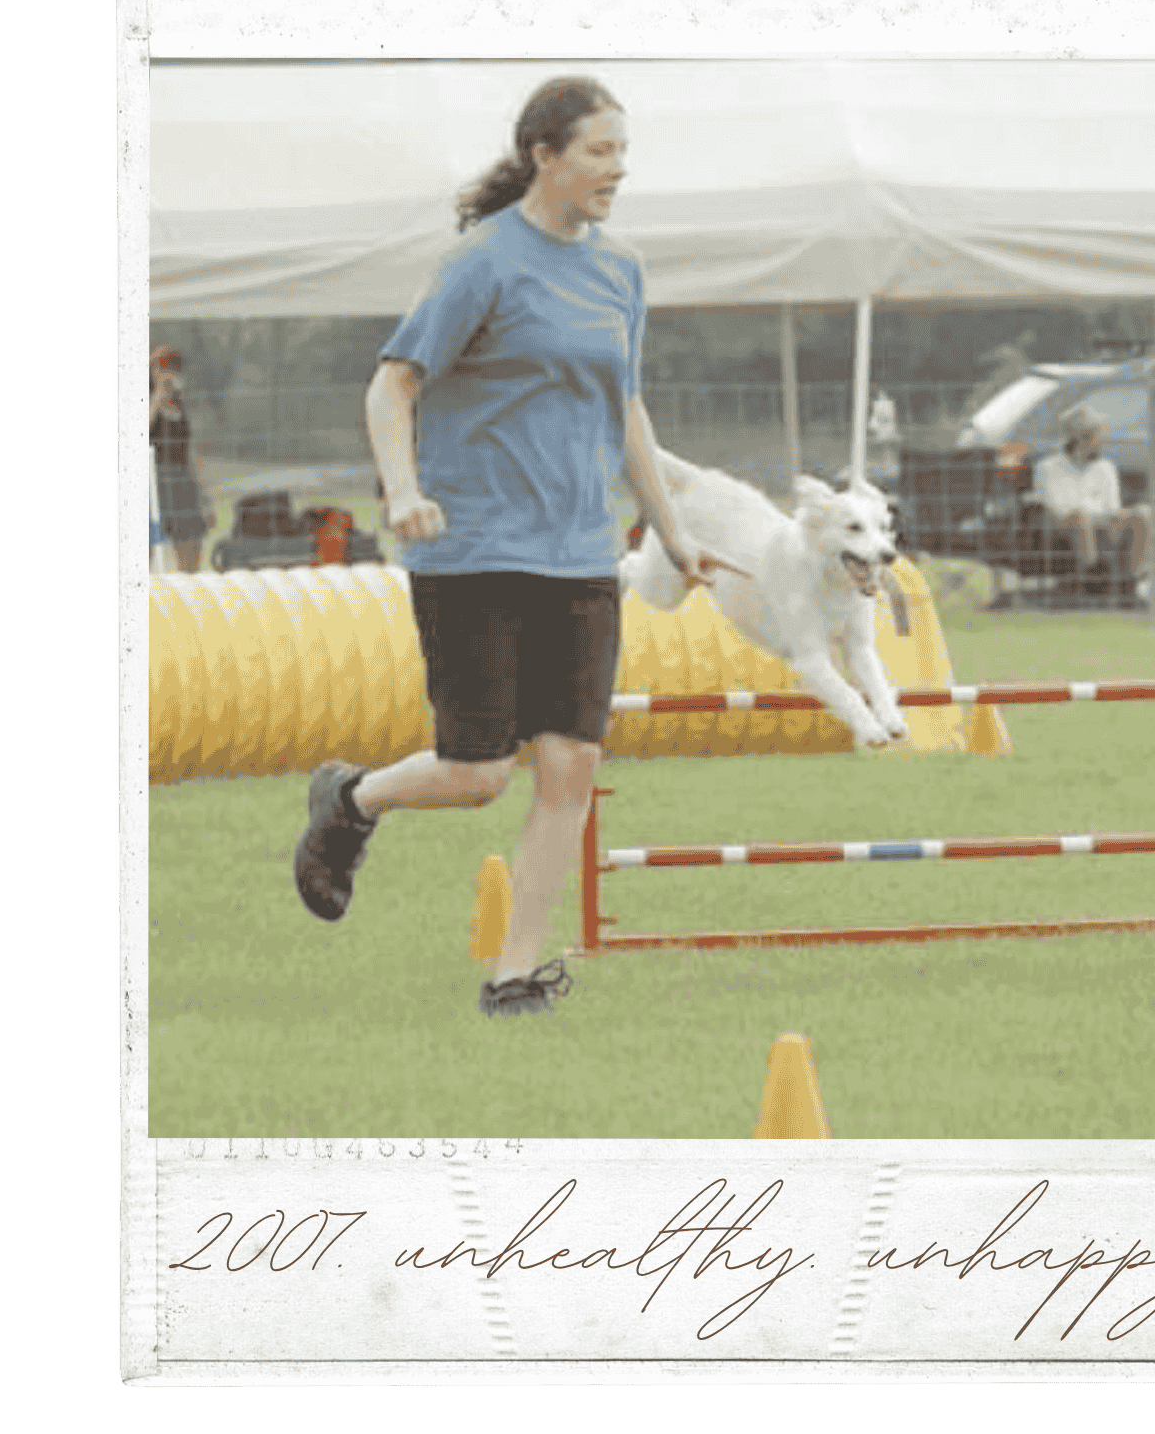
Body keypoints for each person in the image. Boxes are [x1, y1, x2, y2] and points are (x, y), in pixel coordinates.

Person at [292, 76, 744, 1019]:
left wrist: (673, 529)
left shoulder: (621, 270)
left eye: (623, 151)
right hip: (477, 553)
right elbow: (393, 385)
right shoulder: (482, 263)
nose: (619, 169)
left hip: (581, 555)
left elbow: (624, 405)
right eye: (600, 152)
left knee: (571, 764)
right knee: (478, 774)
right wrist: (405, 489)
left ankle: (515, 975)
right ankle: (351, 802)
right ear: (545, 155)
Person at [1032, 404, 1150, 578]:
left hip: (1103, 523)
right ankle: (1091, 575)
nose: (1099, 443)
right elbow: (1056, 511)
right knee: (1080, 518)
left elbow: (1113, 508)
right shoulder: (1048, 467)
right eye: (1093, 437)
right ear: (1078, 438)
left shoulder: (1105, 467)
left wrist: (1118, 517)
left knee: (1143, 513)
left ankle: (1136, 578)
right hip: (1067, 526)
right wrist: (1088, 517)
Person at [148, 346, 212, 572]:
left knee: (192, 552)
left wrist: (205, 498)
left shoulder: (183, 405)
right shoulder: (144, 399)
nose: (170, 373)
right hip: (152, 482)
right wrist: (158, 397)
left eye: (175, 368)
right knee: (148, 552)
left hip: (183, 482)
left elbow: (192, 453)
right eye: (164, 367)